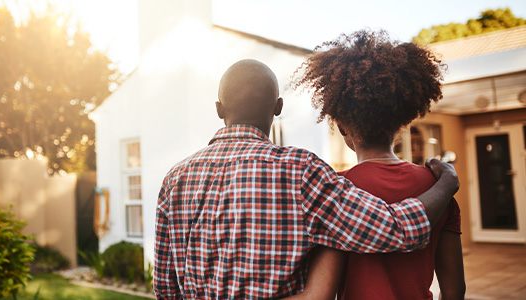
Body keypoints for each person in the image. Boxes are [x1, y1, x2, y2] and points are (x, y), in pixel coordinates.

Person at [153, 58, 459, 299]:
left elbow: (166, 289)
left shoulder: (174, 180)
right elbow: (395, 229)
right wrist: (446, 182)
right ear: (278, 107)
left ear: (219, 110)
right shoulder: (301, 173)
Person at [288, 29, 465, 300]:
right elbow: (454, 290)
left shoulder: (334, 191)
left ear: (341, 127)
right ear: (402, 123)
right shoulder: (438, 188)